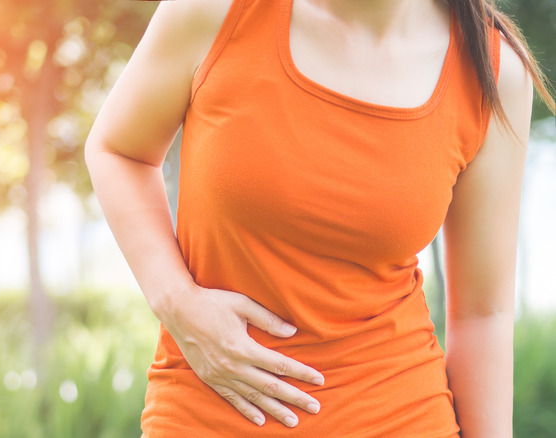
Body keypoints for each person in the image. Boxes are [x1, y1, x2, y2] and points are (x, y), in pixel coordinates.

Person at [85, 0, 555, 436]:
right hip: (207, 413)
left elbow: (482, 314)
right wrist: (177, 301)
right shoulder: (219, 10)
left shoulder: (492, 72)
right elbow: (118, 150)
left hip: (402, 415)